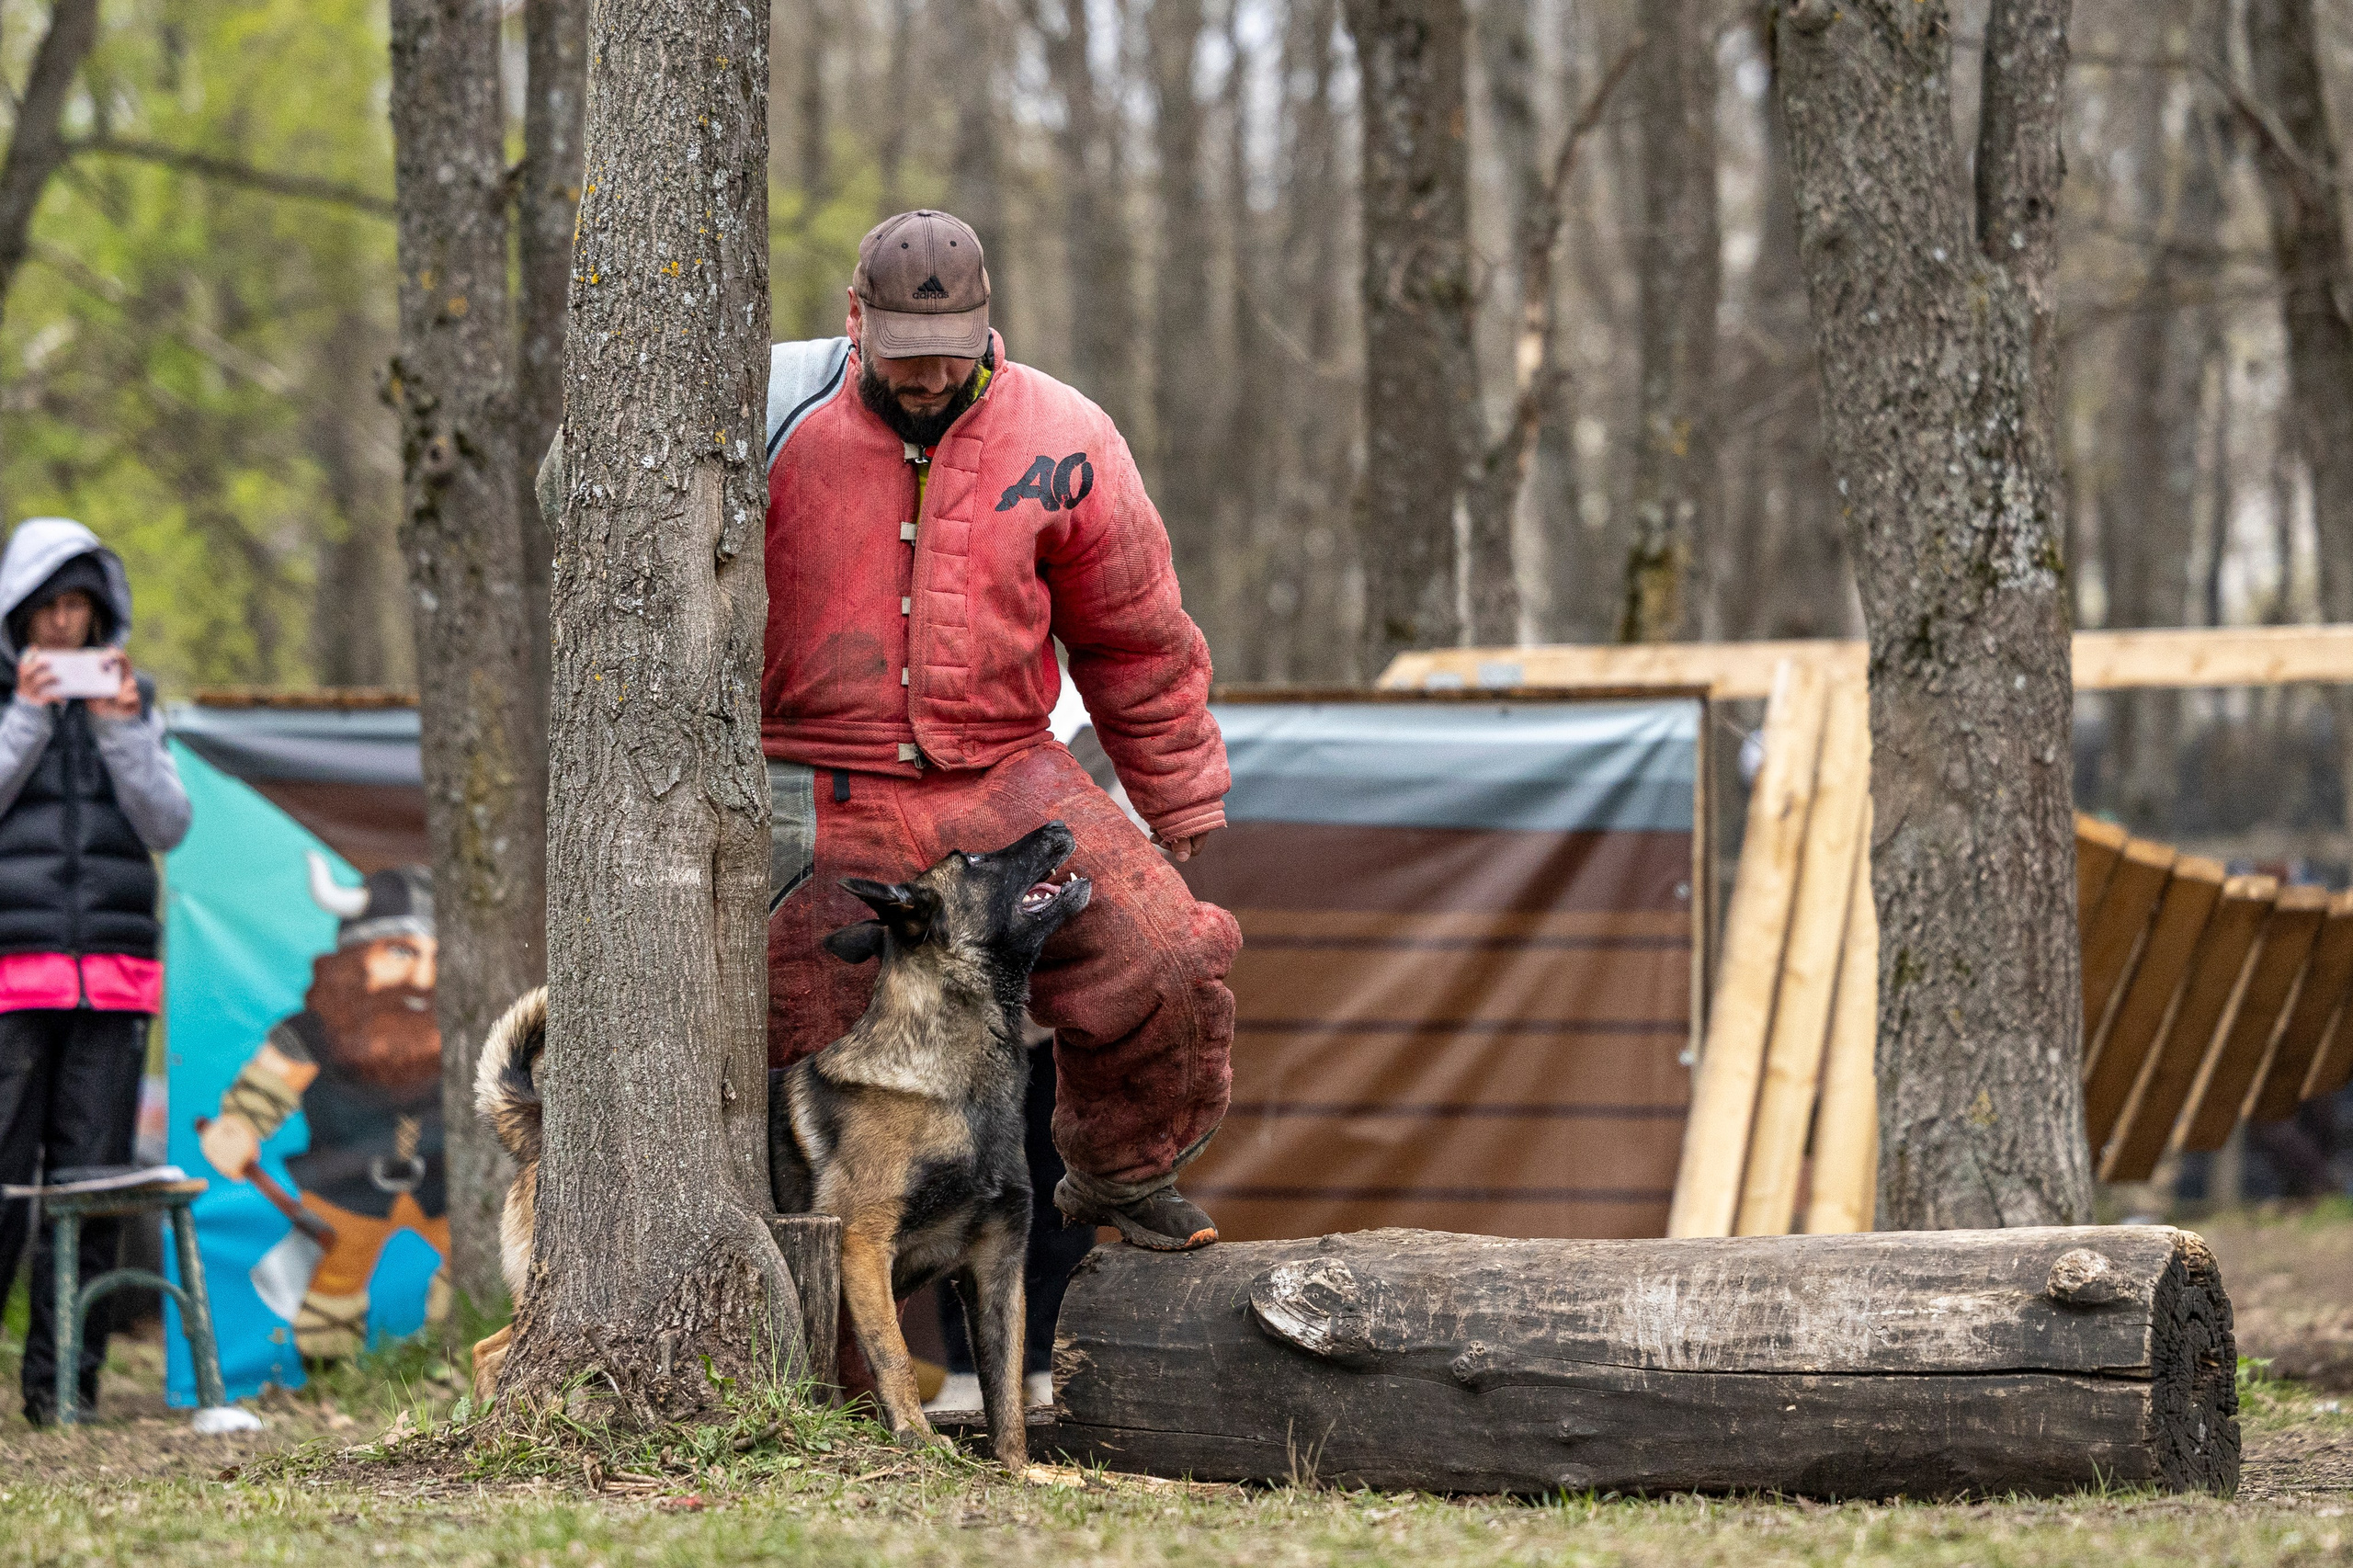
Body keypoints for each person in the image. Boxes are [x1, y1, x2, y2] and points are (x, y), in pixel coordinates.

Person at [760, 210, 1238, 1251]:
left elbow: (1136, 631)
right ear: (855, 318)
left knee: (1164, 958)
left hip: (1004, 768)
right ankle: (833, 1370)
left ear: (988, 325)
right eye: (902, 357)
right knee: (800, 1036)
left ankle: (1117, 1172)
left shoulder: (1065, 435)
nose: (928, 379)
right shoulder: (771, 401)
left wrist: (1177, 790)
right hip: (814, 774)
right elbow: (587, 481)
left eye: (949, 356)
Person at [0, 517, 190, 1424]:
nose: (64, 628)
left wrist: (122, 730)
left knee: (92, 1187)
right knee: (5, 1187)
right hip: (11, 977)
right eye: (48, 610)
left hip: (113, 977)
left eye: (78, 607)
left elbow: (168, 821)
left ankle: (63, 1388)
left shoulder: (134, 697)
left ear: (99, 612)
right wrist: (30, 715)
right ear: (20, 616)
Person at [197, 857, 448, 1359]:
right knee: (332, 1284)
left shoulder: (461, 1022)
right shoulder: (315, 1029)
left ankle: (458, 1365)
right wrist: (240, 1126)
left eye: (438, 957)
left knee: (485, 1273)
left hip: (450, 1191)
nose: (423, 977)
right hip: (345, 1192)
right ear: (356, 957)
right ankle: (332, 1382)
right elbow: (267, 1088)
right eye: (401, 951)